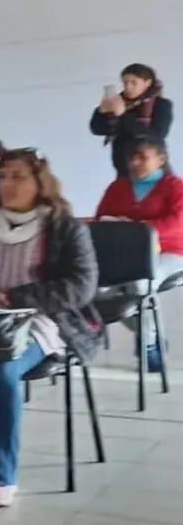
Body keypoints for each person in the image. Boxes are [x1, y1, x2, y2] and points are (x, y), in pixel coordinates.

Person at [0, 149, 99, 508]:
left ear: (38, 182)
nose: (8, 185)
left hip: (39, 320)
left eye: (19, 177)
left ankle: (2, 475)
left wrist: (18, 298)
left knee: (2, 370)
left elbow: (81, 284)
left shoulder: (63, 226)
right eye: (3, 176)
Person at [94, 136, 183, 369]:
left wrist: (135, 228)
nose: (135, 162)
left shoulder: (175, 186)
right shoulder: (118, 187)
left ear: (161, 159)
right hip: (125, 254)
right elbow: (101, 218)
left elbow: (176, 222)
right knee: (101, 291)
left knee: (140, 285)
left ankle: (149, 348)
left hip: (170, 251)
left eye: (142, 157)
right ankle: (152, 336)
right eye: (132, 157)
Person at [90, 63, 173, 177]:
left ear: (147, 83)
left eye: (134, 82)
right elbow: (97, 129)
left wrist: (122, 114)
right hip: (124, 168)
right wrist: (101, 111)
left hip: (151, 169)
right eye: (125, 83)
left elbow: (156, 135)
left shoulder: (161, 104)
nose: (128, 87)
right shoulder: (119, 103)